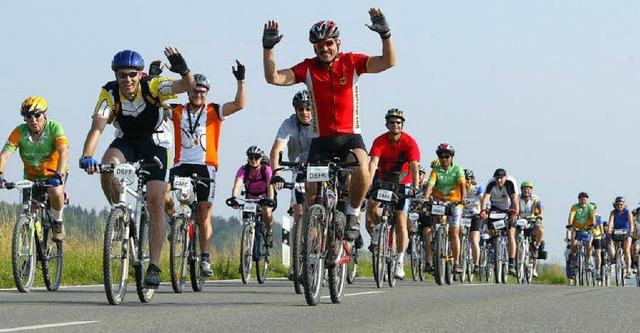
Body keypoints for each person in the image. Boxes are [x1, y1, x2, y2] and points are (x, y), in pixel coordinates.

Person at [262, 7, 397, 241]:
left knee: (362, 170)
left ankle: (352, 214)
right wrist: (268, 49)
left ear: (338, 43)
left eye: (329, 44)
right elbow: (273, 78)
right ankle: (314, 250)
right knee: (312, 196)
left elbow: (388, 62)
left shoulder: (351, 62)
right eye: (319, 45)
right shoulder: (308, 68)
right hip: (321, 141)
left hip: (349, 136)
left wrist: (385, 35)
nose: (324, 48)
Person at [79, 47, 195, 288]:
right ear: (116, 76)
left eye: (132, 74)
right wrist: (87, 155)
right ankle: (121, 214)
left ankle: (154, 266)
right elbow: (97, 126)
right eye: (122, 75)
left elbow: (186, 86)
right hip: (127, 140)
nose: (127, 79)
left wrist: (184, 70)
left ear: (140, 74)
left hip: (156, 141)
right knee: (107, 167)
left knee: (154, 199)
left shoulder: (152, 86)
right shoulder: (109, 91)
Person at [164, 62, 246, 277]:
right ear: (188, 90)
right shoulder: (178, 110)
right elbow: (158, 103)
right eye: (194, 90)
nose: (198, 94)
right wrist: (155, 76)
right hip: (181, 164)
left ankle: (205, 258)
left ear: (207, 93)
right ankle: (174, 221)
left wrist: (240, 80)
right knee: (162, 193)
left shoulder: (214, 110)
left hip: (205, 167)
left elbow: (239, 104)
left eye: (202, 91)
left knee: (203, 212)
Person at [0, 96, 69, 241]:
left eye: (37, 115)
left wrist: (59, 174)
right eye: (28, 116)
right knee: (27, 215)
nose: (33, 120)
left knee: (55, 191)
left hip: (54, 173)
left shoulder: (54, 128)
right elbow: (5, 155)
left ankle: (58, 222)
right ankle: (27, 257)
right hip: (32, 176)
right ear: (25, 118)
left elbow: (64, 151)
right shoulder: (19, 132)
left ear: (45, 115)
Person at [366, 109, 420, 279]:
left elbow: (414, 166)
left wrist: (416, 187)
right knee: (371, 207)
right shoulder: (380, 140)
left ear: (402, 125)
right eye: (392, 122)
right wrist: (367, 182)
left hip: (404, 182)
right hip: (384, 180)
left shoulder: (409, 141)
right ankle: (379, 230)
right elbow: (373, 162)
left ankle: (399, 261)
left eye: (398, 122)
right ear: (386, 124)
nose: (395, 125)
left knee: (401, 220)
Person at [269, 90, 314, 280]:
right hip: (298, 170)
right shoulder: (289, 123)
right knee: (300, 215)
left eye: (308, 108)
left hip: (319, 169)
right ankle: (297, 262)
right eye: (300, 109)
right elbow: (277, 149)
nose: (304, 112)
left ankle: (320, 253)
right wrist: (277, 173)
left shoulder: (320, 122)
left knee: (319, 210)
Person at [423, 144, 466, 274]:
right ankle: (437, 244)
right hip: (439, 201)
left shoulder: (457, 169)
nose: (444, 159)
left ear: (451, 157)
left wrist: (463, 197)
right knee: (435, 223)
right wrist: (425, 197)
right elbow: (430, 184)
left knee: (454, 232)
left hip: (455, 202)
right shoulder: (435, 170)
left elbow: (462, 184)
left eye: (447, 157)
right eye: (441, 157)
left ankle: (457, 263)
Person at [229, 146, 275, 245]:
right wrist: (234, 198)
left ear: (261, 158)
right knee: (246, 221)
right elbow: (237, 185)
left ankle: (269, 232)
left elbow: (270, 186)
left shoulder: (266, 169)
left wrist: (270, 200)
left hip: (264, 197)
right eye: (251, 158)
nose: (253, 160)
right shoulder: (243, 170)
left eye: (256, 157)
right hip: (250, 199)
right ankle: (246, 251)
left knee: (266, 211)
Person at [479, 168, 519, 276]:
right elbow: (485, 198)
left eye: (501, 178)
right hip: (496, 207)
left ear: (505, 178)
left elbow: (515, 199)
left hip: (510, 207)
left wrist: (515, 213)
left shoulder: (510, 183)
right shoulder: (491, 183)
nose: (499, 181)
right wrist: (483, 211)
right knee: (492, 227)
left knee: (510, 234)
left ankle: (511, 263)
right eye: (497, 178)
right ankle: (494, 248)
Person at [566, 191, 596, 285]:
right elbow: (571, 216)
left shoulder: (590, 207)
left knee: (588, 243)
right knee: (573, 243)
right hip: (577, 227)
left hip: (587, 228)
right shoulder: (575, 207)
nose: (583, 201)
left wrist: (593, 225)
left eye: (585, 199)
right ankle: (574, 261)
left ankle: (588, 260)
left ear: (587, 200)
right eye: (581, 199)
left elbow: (593, 216)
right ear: (579, 200)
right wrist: (570, 225)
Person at [518, 181, 545, 277]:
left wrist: (539, 216)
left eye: (528, 189)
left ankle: (536, 247)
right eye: (524, 189)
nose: (526, 190)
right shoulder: (517, 198)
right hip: (519, 223)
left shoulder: (535, 199)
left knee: (540, 230)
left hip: (531, 222)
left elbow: (541, 207)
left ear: (531, 190)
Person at [462, 169, 484, 275]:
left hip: (475, 215)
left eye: (468, 179)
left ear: (472, 180)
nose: (466, 181)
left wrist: (484, 210)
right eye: (464, 179)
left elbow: (482, 199)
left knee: (474, 239)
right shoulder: (459, 189)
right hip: (462, 216)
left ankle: (476, 264)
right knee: (456, 234)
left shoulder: (477, 188)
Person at [607, 196, 634, 279]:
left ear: (624, 205)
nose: (619, 206)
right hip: (616, 231)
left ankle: (628, 270)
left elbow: (631, 222)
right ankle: (613, 259)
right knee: (612, 248)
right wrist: (609, 229)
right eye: (618, 204)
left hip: (626, 232)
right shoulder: (613, 212)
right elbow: (611, 221)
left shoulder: (627, 212)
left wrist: (631, 230)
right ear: (615, 205)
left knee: (626, 250)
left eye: (621, 204)